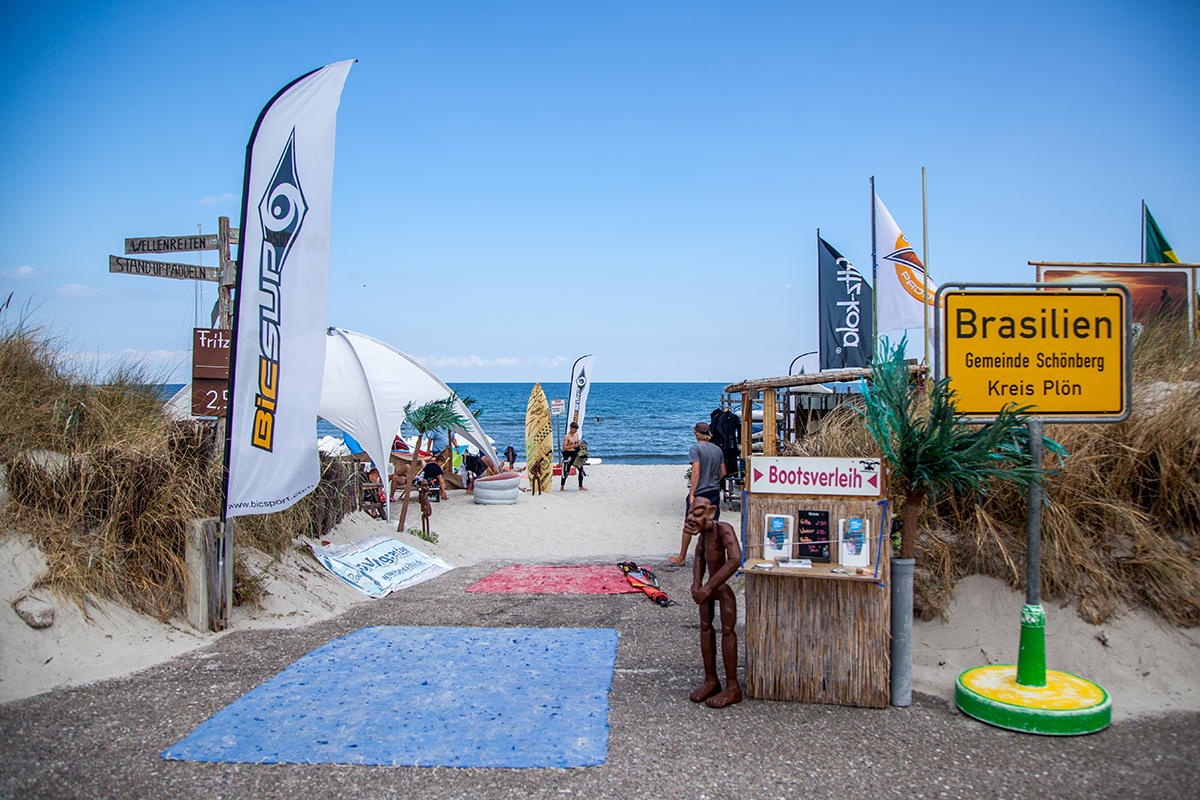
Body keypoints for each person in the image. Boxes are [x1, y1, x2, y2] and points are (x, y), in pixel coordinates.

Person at [685, 496, 742, 708]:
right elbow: (699, 557)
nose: (691, 518)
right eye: (690, 513)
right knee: (705, 628)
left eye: (697, 514)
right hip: (707, 588)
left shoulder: (723, 529)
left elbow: (735, 559)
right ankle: (711, 680)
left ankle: (733, 686)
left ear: (710, 513)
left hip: (721, 588)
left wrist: (709, 586)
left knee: (728, 631)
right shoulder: (703, 535)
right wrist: (697, 582)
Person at [669, 422, 726, 565]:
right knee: (712, 524)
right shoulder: (717, 450)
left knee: (689, 524)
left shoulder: (695, 449)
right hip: (713, 491)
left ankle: (681, 557)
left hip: (700, 492)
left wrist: (692, 493)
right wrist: (713, 481)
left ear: (696, 433)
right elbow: (723, 472)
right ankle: (711, 557)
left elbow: (696, 472)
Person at [560, 422, 586, 491]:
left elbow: (577, 443)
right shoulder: (567, 436)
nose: (575, 431)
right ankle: (562, 486)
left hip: (575, 454)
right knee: (566, 471)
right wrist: (572, 446)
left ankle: (580, 486)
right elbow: (564, 447)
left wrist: (581, 446)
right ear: (570, 428)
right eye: (574, 430)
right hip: (568, 454)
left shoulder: (576, 435)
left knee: (581, 469)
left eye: (576, 430)